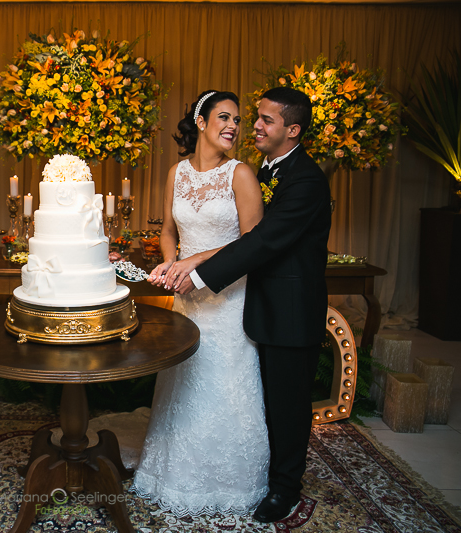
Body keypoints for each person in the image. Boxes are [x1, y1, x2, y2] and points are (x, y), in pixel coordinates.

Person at [160, 87, 332, 523]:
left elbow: (263, 241)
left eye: (266, 120)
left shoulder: (307, 180)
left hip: (291, 310)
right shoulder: (267, 171)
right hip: (256, 304)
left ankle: (284, 491)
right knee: (264, 400)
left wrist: (197, 263)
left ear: (292, 130)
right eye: (253, 117)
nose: (252, 125)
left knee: (289, 406)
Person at [131, 89, 270, 517]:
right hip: (187, 299)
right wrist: (172, 262)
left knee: (224, 379)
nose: (234, 126)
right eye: (225, 117)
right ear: (201, 121)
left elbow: (254, 242)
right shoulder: (177, 172)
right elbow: (169, 228)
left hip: (228, 297)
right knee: (184, 377)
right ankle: (170, 471)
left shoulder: (241, 174)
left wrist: (195, 262)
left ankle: (231, 480)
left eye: (239, 120)